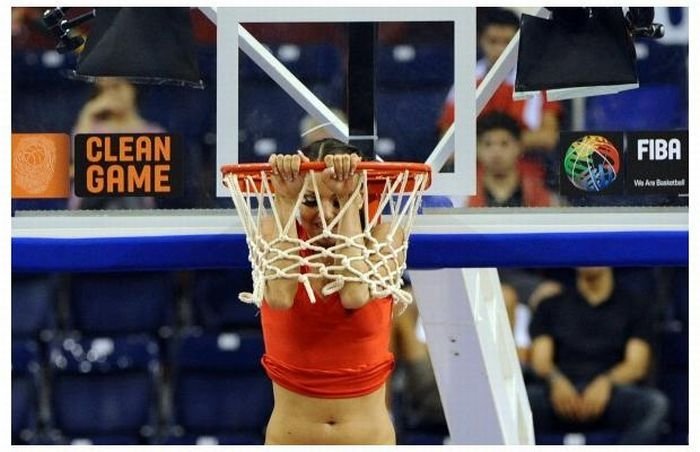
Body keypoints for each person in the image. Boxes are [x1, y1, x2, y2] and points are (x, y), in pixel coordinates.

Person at [259, 137, 405, 445]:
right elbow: (280, 297)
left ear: (360, 196)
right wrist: (285, 201)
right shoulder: (275, 231)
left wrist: (350, 205)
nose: (325, 216)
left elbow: (354, 294)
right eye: (311, 201)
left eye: (337, 201)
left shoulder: (385, 236)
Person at [527, 267, 669, 444]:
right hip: (559, 391)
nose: (590, 257)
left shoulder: (635, 306)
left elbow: (636, 365)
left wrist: (605, 383)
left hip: (610, 394)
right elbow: (540, 361)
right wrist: (556, 381)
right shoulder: (551, 304)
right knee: (517, 405)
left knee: (653, 405)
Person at [437, 8, 562, 154]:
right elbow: (446, 142)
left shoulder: (537, 80)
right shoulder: (466, 81)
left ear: (520, 42)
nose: (500, 49)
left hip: (526, 165)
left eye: (507, 42)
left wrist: (497, 147)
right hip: (477, 167)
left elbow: (548, 137)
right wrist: (495, 150)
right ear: (480, 40)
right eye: (493, 41)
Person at [69, 77, 164, 210]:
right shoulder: (91, 127)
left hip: (135, 211)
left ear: (133, 89)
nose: (109, 95)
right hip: (91, 211)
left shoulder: (153, 132)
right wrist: (87, 114)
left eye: (116, 87)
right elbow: (77, 166)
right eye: (103, 90)